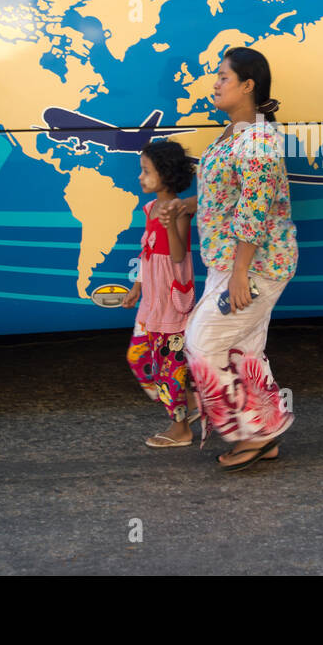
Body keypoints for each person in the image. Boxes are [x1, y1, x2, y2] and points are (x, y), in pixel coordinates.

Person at [159, 47, 297, 472]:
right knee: (244, 350)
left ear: (248, 85)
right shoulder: (234, 132)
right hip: (230, 263)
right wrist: (190, 206)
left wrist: (240, 273)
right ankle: (264, 434)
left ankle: (254, 431)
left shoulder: (257, 139)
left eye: (223, 77)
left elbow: (255, 208)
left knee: (202, 342)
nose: (215, 84)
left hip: (255, 267)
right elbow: (228, 195)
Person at [122, 140, 198, 447]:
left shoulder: (178, 210)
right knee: (138, 357)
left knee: (169, 369)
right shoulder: (151, 208)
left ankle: (181, 430)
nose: (140, 177)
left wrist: (169, 224)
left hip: (171, 303)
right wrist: (137, 286)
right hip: (150, 301)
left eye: (146, 171)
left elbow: (178, 257)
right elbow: (147, 252)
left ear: (165, 175)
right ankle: (189, 403)